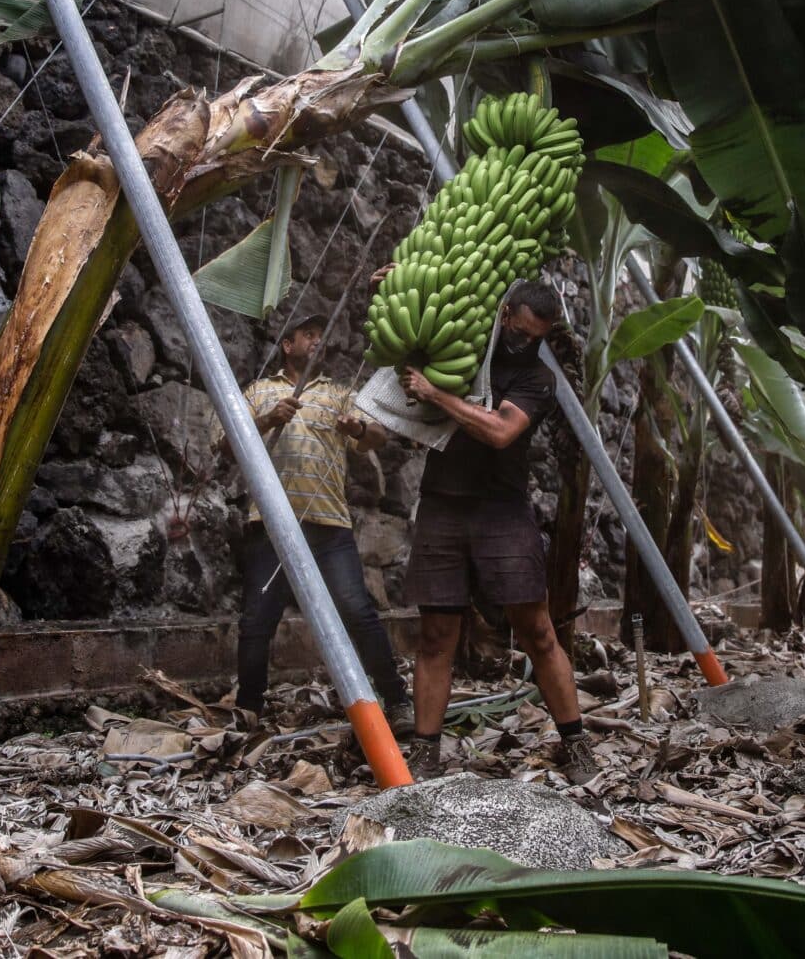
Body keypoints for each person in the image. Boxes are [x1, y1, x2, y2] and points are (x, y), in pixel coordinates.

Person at [395, 279, 599, 785]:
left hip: (503, 511)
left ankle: (575, 742)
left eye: (538, 337)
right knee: (437, 634)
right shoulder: (459, 348)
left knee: (537, 630)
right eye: (521, 331)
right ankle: (425, 750)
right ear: (505, 313)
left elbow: (500, 431)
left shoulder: (537, 380)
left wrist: (436, 394)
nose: (525, 342)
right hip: (442, 504)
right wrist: (396, 278)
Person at [215, 313, 413, 732]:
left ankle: (396, 700)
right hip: (270, 524)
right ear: (287, 345)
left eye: (321, 337)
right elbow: (225, 444)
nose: (317, 342)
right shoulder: (260, 392)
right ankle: (249, 708)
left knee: (358, 611)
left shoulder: (339, 394)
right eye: (308, 335)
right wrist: (269, 418)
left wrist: (358, 425)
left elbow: (375, 436)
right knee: (257, 620)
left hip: (329, 525)